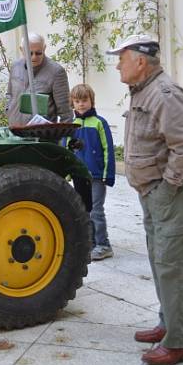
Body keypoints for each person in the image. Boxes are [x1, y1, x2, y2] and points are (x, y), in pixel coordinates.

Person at [107, 34, 183, 365]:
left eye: (122, 58)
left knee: (173, 265)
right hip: (153, 193)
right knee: (161, 261)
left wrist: (166, 189)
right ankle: (168, 324)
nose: (118, 64)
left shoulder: (164, 94)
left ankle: (178, 343)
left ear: (141, 61)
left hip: (171, 194)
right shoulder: (143, 91)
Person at [68, 84, 116, 261]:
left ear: (92, 101)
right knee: (83, 209)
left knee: (96, 209)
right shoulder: (71, 125)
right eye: (77, 101)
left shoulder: (99, 123)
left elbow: (107, 149)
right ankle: (90, 242)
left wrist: (107, 174)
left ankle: (104, 244)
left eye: (84, 100)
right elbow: (68, 150)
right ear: (72, 103)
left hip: (96, 175)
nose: (81, 104)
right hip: (79, 175)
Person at [6, 32, 73, 126]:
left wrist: (63, 136)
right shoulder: (15, 67)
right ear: (22, 50)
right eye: (30, 53)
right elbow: (10, 94)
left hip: (41, 135)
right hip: (15, 130)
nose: (34, 57)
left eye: (38, 53)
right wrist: (9, 109)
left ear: (44, 48)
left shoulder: (56, 72)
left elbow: (65, 112)